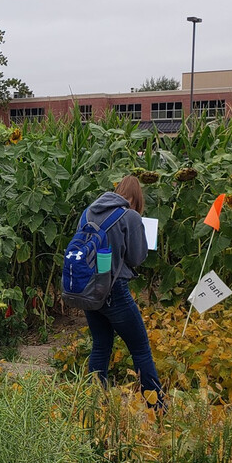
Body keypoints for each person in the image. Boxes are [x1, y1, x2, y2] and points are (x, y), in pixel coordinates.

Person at [79, 175, 165, 409]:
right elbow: (137, 258)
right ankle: (156, 409)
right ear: (136, 198)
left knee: (100, 345)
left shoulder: (89, 212)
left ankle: (95, 406)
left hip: (89, 290)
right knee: (140, 348)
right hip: (114, 291)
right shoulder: (131, 216)